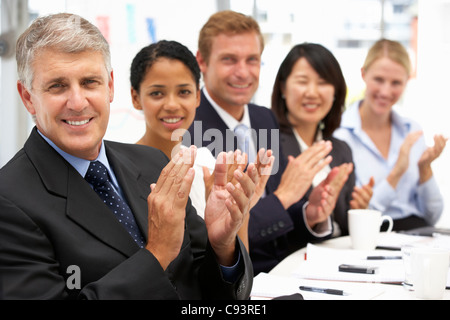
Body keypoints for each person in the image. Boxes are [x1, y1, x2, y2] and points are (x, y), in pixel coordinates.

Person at [0, 13, 257, 300]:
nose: (77, 102)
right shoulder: (9, 200)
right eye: (57, 86)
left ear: (110, 86)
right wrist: (156, 255)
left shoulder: (153, 162)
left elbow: (202, 286)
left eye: (89, 82)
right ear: (27, 97)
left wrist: (222, 246)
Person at [184, 10, 347, 274]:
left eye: (252, 60)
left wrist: (310, 215)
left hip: (286, 271)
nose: (243, 72)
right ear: (201, 61)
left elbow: (278, 232)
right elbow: (209, 237)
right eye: (229, 60)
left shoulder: (264, 118)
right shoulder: (188, 130)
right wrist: (283, 198)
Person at [130, 39, 274, 250]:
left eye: (184, 92)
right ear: (135, 98)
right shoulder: (122, 169)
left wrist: (240, 214)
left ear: (198, 96)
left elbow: (238, 270)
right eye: (157, 93)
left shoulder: (207, 164)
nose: (172, 104)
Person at [334, 39, 446, 231]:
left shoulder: (412, 131)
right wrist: (396, 173)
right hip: (372, 236)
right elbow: (358, 216)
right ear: (363, 74)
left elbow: (432, 216)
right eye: (379, 80)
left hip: (418, 236)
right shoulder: (342, 137)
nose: (386, 91)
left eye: (396, 83)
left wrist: (424, 168)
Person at [271, 43, 375, 236]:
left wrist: (359, 211)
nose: (312, 92)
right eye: (302, 81)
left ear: (336, 91)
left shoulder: (341, 149)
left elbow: (342, 228)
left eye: (322, 82)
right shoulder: (268, 146)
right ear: (283, 88)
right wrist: (312, 216)